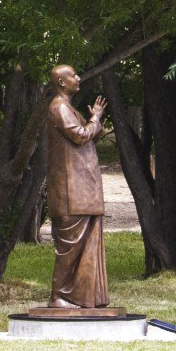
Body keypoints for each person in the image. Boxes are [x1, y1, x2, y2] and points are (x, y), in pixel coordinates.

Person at [45, 63, 109, 308]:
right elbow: (81, 135)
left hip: (82, 189)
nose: (78, 77)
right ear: (62, 82)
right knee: (70, 247)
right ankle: (59, 296)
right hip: (71, 191)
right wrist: (95, 119)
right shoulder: (59, 107)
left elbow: (88, 134)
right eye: (73, 75)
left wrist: (94, 121)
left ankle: (82, 296)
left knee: (83, 245)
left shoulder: (68, 107)